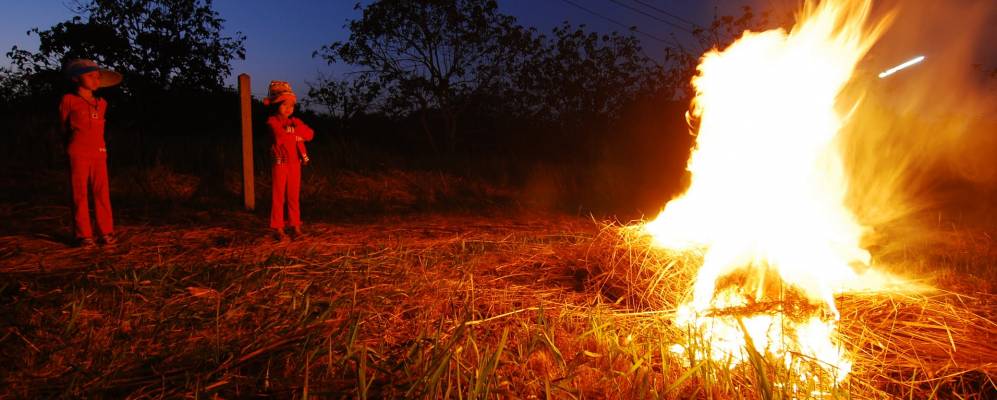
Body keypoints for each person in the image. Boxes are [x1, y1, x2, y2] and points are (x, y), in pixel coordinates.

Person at [60, 59, 122, 248]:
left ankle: (105, 232)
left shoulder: (102, 103)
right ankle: (83, 235)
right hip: (78, 152)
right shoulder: (68, 100)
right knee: (80, 194)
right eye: (90, 76)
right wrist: (68, 145)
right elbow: (63, 126)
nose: (95, 80)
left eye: (97, 77)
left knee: (102, 193)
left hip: (99, 153)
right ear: (76, 78)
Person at [263, 81, 314, 240]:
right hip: (280, 162)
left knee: (293, 196)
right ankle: (278, 228)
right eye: (284, 105)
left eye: (291, 105)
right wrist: (295, 134)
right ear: (276, 105)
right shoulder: (272, 121)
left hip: (295, 164)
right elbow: (280, 137)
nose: (288, 109)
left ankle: (295, 226)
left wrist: (293, 131)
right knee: (279, 196)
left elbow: (310, 134)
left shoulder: (295, 121)